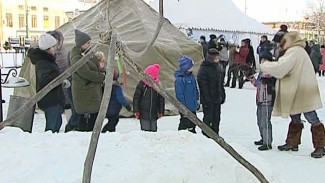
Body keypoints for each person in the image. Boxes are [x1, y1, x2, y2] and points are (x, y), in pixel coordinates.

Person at [260, 32, 325, 158]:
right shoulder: (297, 51)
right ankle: (292, 142)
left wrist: (265, 64)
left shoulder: (294, 52)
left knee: (311, 117)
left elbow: (281, 67)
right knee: (295, 115)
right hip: (298, 88)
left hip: (302, 90)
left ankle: (320, 146)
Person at [27, 33, 66, 133]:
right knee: (52, 126)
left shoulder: (48, 60)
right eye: (53, 46)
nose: (55, 48)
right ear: (47, 48)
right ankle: (47, 143)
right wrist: (59, 79)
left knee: (57, 123)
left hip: (54, 97)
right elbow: (45, 79)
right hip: (50, 98)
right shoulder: (43, 62)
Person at [70, 29, 105, 132]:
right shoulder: (76, 58)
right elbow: (87, 73)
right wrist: (102, 77)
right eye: (87, 43)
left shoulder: (89, 54)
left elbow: (96, 67)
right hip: (85, 93)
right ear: (81, 44)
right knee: (85, 121)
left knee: (93, 119)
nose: (91, 44)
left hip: (92, 93)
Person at [248, 50, 276, 151]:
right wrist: (251, 78)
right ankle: (263, 138)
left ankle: (267, 142)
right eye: (262, 60)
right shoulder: (261, 72)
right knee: (259, 120)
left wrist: (268, 81)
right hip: (259, 99)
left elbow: (272, 85)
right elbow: (258, 84)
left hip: (267, 100)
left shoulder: (272, 72)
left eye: (265, 60)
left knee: (265, 121)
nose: (263, 62)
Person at [197, 48, 225, 136]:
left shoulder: (218, 67)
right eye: (215, 58)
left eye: (218, 58)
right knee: (208, 118)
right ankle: (206, 134)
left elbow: (220, 83)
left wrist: (222, 94)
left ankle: (216, 135)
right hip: (208, 99)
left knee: (217, 118)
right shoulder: (204, 68)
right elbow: (203, 85)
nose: (217, 60)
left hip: (217, 98)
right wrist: (207, 98)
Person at [133, 64, 165, 132]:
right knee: (145, 131)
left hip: (154, 113)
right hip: (143, 113)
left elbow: (161, 99)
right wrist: (136, 110)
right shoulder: (142, 84)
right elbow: (136, 98)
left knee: (153, 130)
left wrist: (161, 111)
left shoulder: (158, 85)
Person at [174, 55, 199, 133]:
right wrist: (183, 107)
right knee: (184, 123)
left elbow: (195, 89)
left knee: (193, 123)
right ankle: (181, 135)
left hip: (193, 105)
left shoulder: (191, 77)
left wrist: (197, 99)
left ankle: (192, 133)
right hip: (185, 107)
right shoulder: (180, 80)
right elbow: (179, 95)